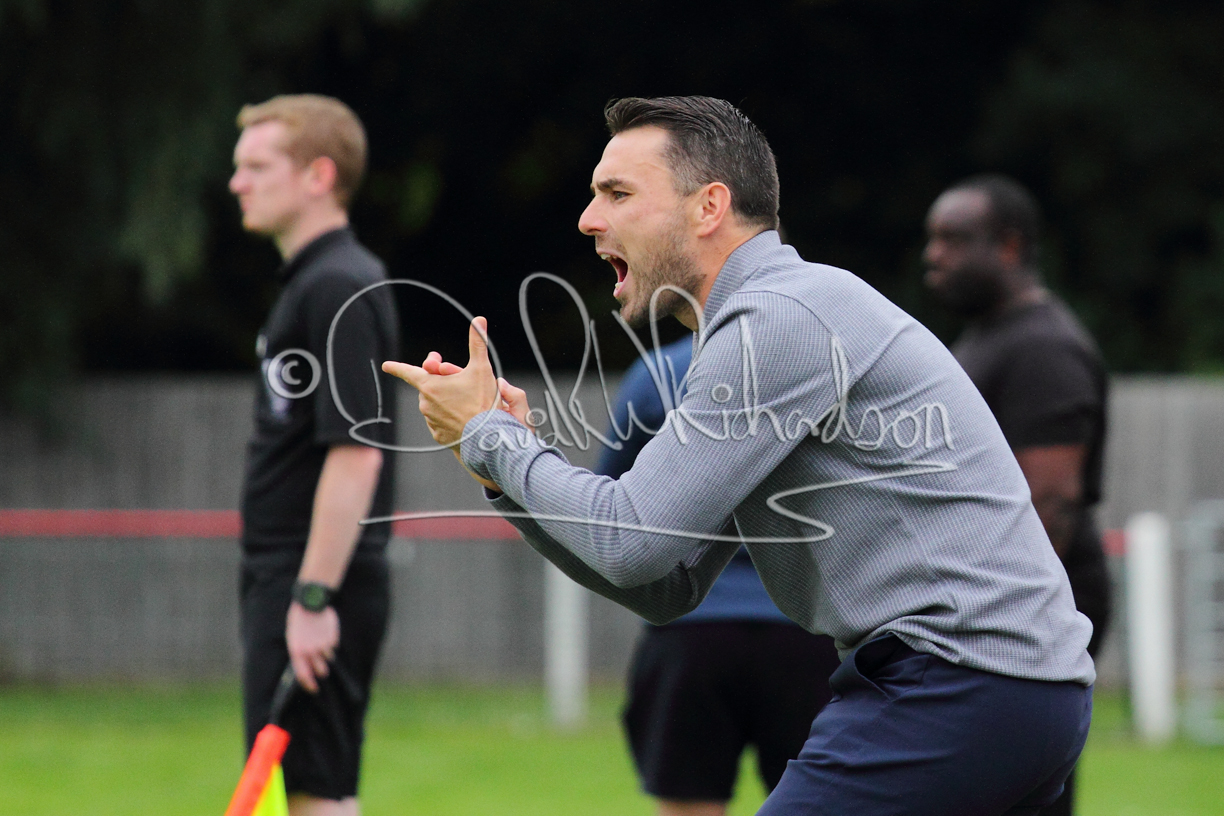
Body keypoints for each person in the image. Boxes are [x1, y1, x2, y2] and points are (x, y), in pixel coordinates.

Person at [385, 96, 1095, 814]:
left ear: (709, 207)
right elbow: (669, 583)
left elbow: (630, 538)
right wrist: (503, 466)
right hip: (997, 690)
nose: (588, 218)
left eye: (617, 193)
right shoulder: (764, 321)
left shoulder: (778, 319)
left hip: (960, 686)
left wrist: (493, 439)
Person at [230, 94, 399, 816]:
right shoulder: (312, 282)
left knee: (315, 797)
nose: (237, 182)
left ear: (318, 176)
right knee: (312, 793)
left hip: (315, 584)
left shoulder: (335, 284)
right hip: (295, 578)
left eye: (257, 166)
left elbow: (357, 454)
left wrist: (312, 598)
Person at [924, 174, 1111, 816]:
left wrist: (987, 617)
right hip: (994, 600)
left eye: (953, 239)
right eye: (932, 239)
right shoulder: (990, 336)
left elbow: (1049, 503)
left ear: (1008, 246)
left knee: (1020, 790)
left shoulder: (1042, 347)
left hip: (1026, 604)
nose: (933, 255)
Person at [599, 335, 840, 816]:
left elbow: (611, 496)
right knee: (824, 804)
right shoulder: (826, 367)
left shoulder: (659, 372)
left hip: (692, 632)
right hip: (807, 627)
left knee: (690, 808)